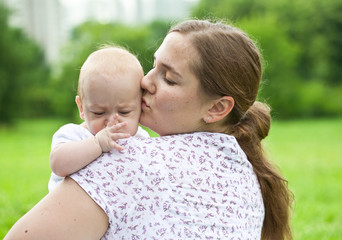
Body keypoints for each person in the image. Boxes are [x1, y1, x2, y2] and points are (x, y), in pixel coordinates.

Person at [4, 19, 293, 240]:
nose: (145, 82)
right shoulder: (248, 176)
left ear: (216, 109)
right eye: (153, 67)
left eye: (168, 78)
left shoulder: (127, 159)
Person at [48, 46, 149, 191]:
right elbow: (58, 164)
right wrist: (97, 144)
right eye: (98, 113)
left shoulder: (140, 139)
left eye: (124, 111)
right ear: (82, 108)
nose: (111, 122)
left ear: (141, 106)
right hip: (74, 209)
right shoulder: (74, 135)